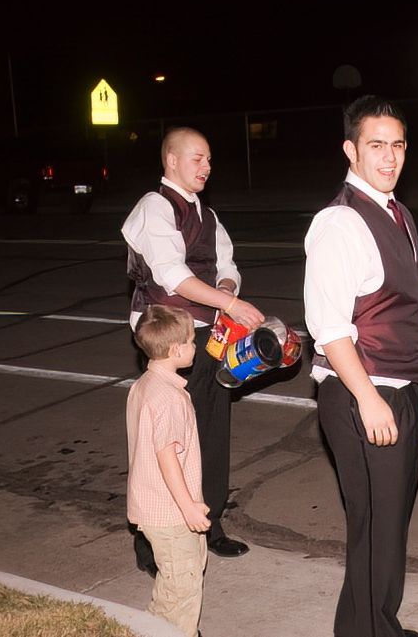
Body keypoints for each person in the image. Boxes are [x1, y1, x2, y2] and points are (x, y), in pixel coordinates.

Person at [304, 95, 418, 637]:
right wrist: (369, 399)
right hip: (363, 392)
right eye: (376, 145)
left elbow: (392, 299)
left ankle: (370, 625)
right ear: (350, 149)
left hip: (398, 387)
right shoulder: (339, 224)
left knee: (386, 528)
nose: (390, 157)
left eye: (398, 145)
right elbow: (330, 329)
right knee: (376, 527)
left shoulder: (397, 212)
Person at [122, 127, 264, 568]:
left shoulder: (208, 215)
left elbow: (228, 266)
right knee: (164, 437)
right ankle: (150, 539)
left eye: (208, 159)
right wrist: (233, 303)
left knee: (210, 428)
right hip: (167, 333)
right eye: (197, 158)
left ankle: (210, 522)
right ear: (171, 161)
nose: (206, 167)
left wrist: (227, 287)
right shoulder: (154, 207)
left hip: (208, 333)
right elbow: (172, 277)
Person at [126, 304, 210, 637]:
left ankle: (153, 628)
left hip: (155, 507)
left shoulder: (145, 385)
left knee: (175, 582)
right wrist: (188, 506)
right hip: (170, 513)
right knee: (184, 590)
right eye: (191, 341)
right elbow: (166, 457)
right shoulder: (169, 399)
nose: (195, 346)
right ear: (175, 350)